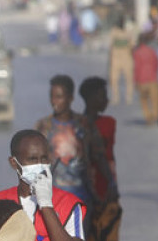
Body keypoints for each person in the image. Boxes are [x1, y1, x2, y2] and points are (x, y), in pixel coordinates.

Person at [0, 129, 87, 241]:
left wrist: (46, 203)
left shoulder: (69, 204)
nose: (39, 165)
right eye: (32, 159)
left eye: (44, 159)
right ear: (14, 163)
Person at [79, 77, 132, 241]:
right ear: (89, 97)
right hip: (88, 196)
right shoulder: (80, 125)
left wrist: (112, 187)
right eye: (101, 95)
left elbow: (102, 157)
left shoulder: (106, 124)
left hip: (106, 195)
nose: (106, 99)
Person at [33, 74, 111, 213]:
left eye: (59, 97)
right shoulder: (43, 126)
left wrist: (110, 186)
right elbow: (32, 163)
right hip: (52, 202)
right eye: (52, 97)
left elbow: (99, 157)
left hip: (81, 198)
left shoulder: (84, 124)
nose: (54, 101)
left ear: (70, 98)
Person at [107, 14, 136, 105]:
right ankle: (116, 97)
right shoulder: (114, 31)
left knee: (129, 79)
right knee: (114, 79)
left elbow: (132, 45)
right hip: (117, 58)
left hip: (126, 58)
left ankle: (129, 97)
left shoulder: (129, 32)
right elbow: (111, 45)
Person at [133, 33, 158, 125]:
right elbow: (157, 63)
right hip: (153, 79)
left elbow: (136, 67)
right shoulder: (152, 51)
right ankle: (155, 116)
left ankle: (148, 117)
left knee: (144, 101)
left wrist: (135, 81)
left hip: (142, 80)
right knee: (155, 100)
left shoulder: (137, 52)